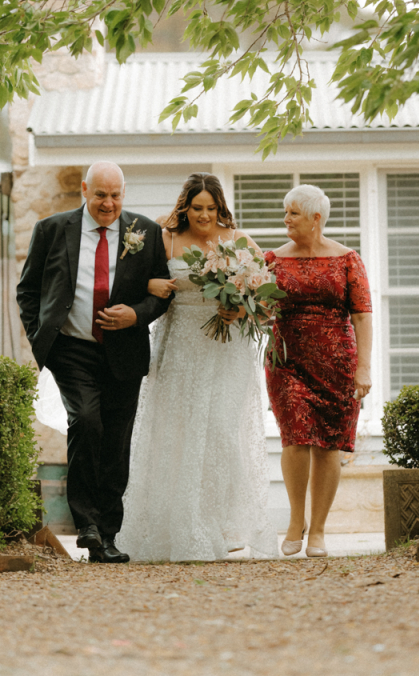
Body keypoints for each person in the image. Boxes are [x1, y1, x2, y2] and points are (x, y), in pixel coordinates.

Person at [116, 173, 278, 562]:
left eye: (211, 208)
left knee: (221, 430)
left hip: (227, 349)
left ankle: (222, 525)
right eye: (197, 207)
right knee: (178, 434)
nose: (204, 215)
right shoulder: (163, 237)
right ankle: (182, 526)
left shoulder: (238, 241)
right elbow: (133, 280)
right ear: (185, 206)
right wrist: (153, 285)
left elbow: (268, 300)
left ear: (220, 207)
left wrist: (240, 308)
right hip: (180, 345)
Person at [16, 161, 171, 563]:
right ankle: (85, 523)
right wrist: (42, 340)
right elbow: (28, 290)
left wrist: (137, 314)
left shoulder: (145, 232)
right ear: (85, 190)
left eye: (116, 195)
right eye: (101, 194)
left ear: (124, 193)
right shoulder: (52, 230)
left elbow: (161, 292)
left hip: (124, 351)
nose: (109, 203)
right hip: (72, 349)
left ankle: (107, 534)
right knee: (85, 420)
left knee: (117, 442)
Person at [265, 184, 372, 558]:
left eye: (293, 213)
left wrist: (364, 367)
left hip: (337, 363)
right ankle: (296, 520)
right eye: (285, 212)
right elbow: (260, 309)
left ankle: (319, 530)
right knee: (294, 436)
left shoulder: (347, 260)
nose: (286, 219)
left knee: (328, 443)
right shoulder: (273, 260)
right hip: (286, 360)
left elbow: (361, 315)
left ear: (316, 218)